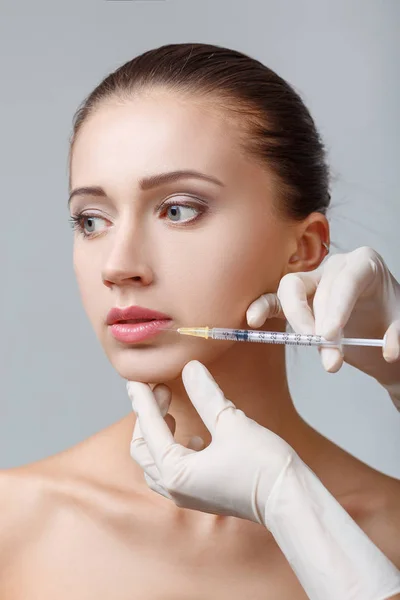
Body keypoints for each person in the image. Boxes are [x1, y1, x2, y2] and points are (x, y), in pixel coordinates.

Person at [1, 42, 399, 599]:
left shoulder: (389, 531)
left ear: (306, 247)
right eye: (91, 220)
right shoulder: (13, 525)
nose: (118, 266)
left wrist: (293, 503)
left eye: (179, 209)